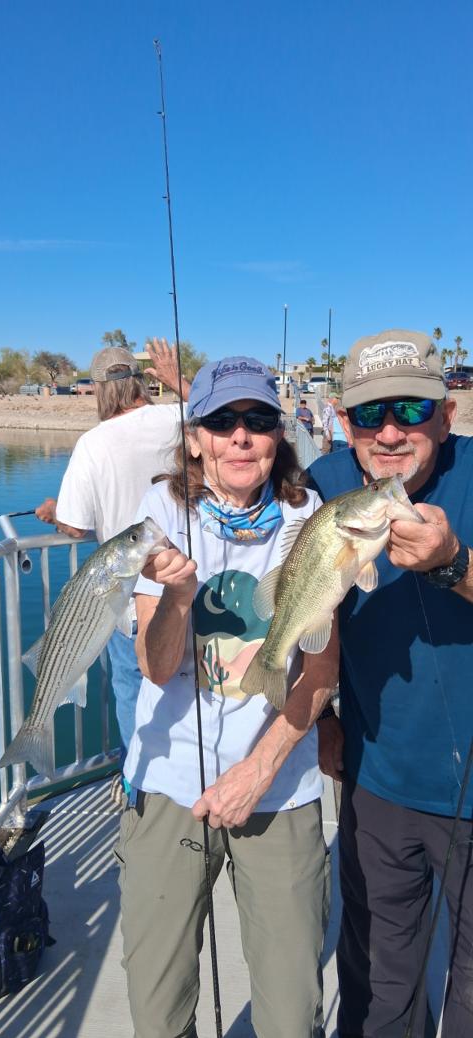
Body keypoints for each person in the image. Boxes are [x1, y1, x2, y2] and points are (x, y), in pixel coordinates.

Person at [116, 356, 339, 1038]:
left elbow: (321, 668)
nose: (241, 436)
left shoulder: (309, 515)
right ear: (194, 439)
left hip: (279, 785)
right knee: (158, 1010)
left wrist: (258, 771)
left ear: (279, 435)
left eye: (259, 419)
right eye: (220, 421)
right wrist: (178, 598)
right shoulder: (160, 510)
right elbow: (155, 669)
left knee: (291, 1012)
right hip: (170, 779)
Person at [305, 328, 473, 1037]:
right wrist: (322, 720)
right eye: (371, 414)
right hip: (374, 780)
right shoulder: (324, 485)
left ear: (446, 414)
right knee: (378, 983)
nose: (391, 432)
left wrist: (454, 563)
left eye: (411, 409)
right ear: (346, 424)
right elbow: (302, 612)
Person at [35, 339, 185, 768]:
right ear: (139, 382)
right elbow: (217, 418)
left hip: (128, 596)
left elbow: (76, 525)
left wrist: (54, 513)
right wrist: (178, 381)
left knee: (132, 689)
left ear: (100, 389)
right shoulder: (174, 418)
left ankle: (138, 779)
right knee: (187, 687)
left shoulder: (93, 443)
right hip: (183, 581)